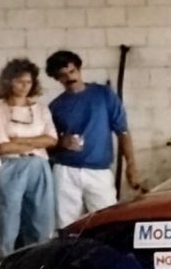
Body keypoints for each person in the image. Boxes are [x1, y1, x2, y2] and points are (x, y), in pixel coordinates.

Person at [45, 50, 140, 228]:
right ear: (57, 78)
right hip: (65, 170)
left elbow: (122, 131)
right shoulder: (55, 107)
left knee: (108, 222)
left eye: (72, 71)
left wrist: (131, 165)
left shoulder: (104, 95)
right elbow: (47, 143)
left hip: (99, 170)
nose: (69, 78)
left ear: (79, 69)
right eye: (63, 75)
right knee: (66, 225)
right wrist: (61, 142)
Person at [0, 58, 57, 260]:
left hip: (39, 166)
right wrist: (37, 142)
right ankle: (2, 264)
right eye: (19, 81)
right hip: (10, 167)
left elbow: (52, 139)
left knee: (41, 220)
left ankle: (37, 264)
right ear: (9, 82)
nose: (24, 86)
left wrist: (19, 141)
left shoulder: (41, 109)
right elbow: (2, 146)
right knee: (7, 221)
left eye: (28, 82)